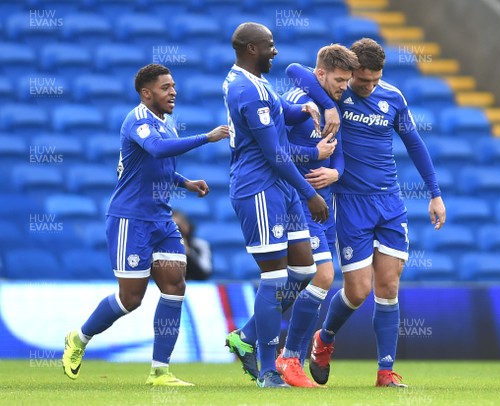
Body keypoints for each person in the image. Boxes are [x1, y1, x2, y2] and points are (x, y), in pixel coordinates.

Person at [286, 38, 446, 387]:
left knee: (388, 285)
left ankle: (385, 372)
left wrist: (434, 194)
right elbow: (295, 70)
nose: (368, 87)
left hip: (389, 201)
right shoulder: (333, 96)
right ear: (349, 72)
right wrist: (329, 108)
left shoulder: (393, 98)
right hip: (350, 203)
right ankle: (324, 339)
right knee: (357, 291)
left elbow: (414, 144)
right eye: (361, 81)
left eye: (374, 80)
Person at [62, 63, 229, 386]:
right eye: (166, 87)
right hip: (130, 220)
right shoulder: (137, 120)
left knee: (175, 285)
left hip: (162, 220)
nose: (173, 92)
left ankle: (160, 370)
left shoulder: (165, 124)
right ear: (146, 93)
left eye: (174, 86)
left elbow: (158, 166)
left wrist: (186, 182)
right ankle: (79, 338)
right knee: (131, 299)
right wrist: (206, 138)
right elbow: (155, 148)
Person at [222, 22, 329, 388]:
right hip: (259, 188)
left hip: (280, 187)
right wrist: (310, 192)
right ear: (252, 49)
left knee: (303, 270)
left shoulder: (258, 83)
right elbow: (275, 153)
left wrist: (306, 109)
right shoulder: (245, 89)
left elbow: (283, 110)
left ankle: (246, 336)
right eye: (269, 45)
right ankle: (268, 370)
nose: (276, 51)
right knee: (274, 277)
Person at [274, 44, 359, 387]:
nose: (344, 87)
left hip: (321, 202)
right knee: (322, 275)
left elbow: (336, 152)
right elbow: (275, 151)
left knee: (310, 278)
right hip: (296, 200)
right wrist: (313, 153)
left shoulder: (335, 105)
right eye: (339, 80)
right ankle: (289, 357)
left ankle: (248, 335)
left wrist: (334, 173)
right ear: (320, 74)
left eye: (347, 81)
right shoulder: (297, 100)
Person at [172, 210, 213, 281]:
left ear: (186, 226)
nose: (175, 232)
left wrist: (188, 253)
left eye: (178, 227)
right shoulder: (157, 247)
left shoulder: (200, 245)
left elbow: (205, 272)